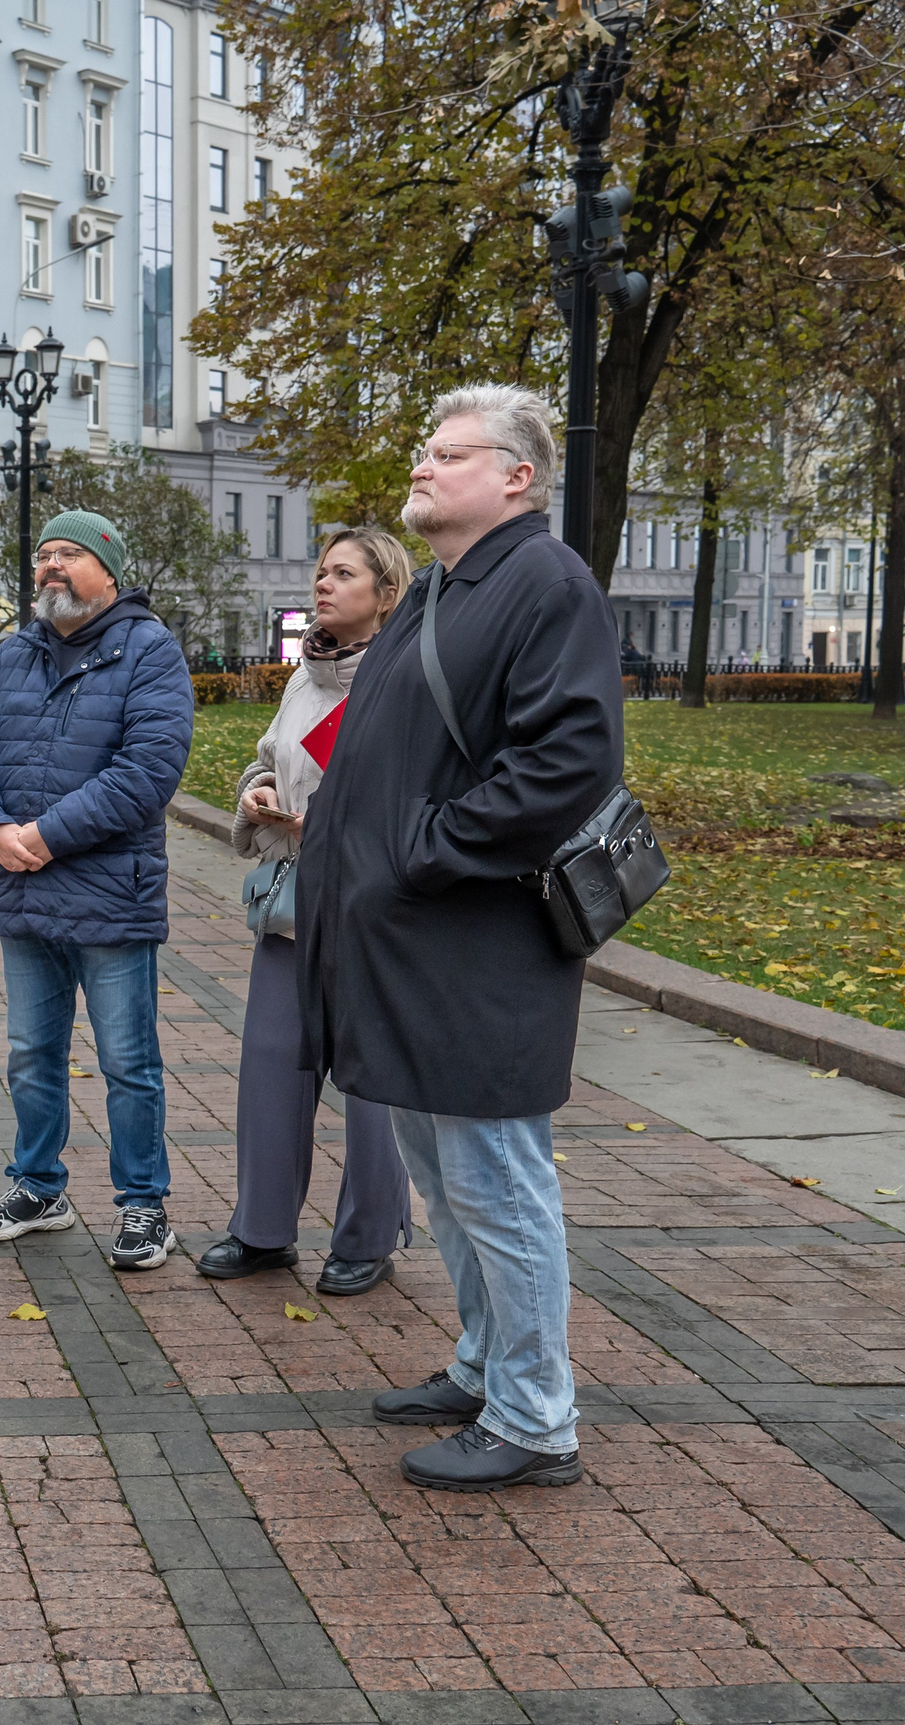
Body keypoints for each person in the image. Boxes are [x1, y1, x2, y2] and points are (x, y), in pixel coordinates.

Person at [295, 384, 623, 1494]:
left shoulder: (543, 583)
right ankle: (485, 1365)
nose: (421, 468)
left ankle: (535, 1417)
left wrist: (423, 848)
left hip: (478, 943)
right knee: (446, 1173)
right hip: (416, 944)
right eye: (423, 452)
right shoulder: (448, 586)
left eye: (447, 454)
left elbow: (568, 763)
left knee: (496, 1180)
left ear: (515, 476)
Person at [0, 510, 196, 1271]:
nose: (50, 566)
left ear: (110, 571)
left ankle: (143, 1206)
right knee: (31, 1053)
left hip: (109, 893)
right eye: (44, 556)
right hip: (24, 890)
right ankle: (38, 1186)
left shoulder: (149, 651)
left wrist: (45, 835)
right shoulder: (17, 653)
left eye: (69, 555)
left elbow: (148, 771)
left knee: (128, 1059)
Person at [197, 529, 415, 1297]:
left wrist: (322, 829)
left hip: (371, 913)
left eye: (343, 573)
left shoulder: (407, 679)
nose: (322, 582)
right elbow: (271, 756)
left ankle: (369, 1235)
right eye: (321, 569)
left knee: (369, 1085)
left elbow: (413, 801)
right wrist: (257, 791)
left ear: (385, 593)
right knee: (270, 1064)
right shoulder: (307, 676)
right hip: (293, 906)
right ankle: (262, 1230)